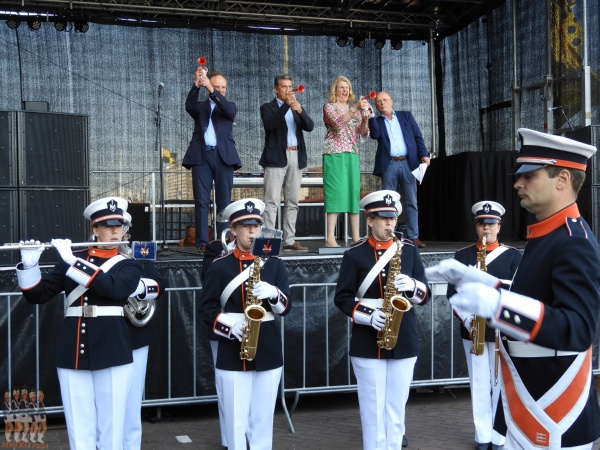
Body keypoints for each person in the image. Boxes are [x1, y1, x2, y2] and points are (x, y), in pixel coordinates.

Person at [427, 128, 600, 449]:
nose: (518, 183)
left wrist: (498, 305)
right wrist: (480, 281)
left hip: (554, 409)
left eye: (529, 176)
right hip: (526, 401)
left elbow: (578, 329)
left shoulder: (573, 241)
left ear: (562, 179)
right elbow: (536, 294)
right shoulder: (547, 234)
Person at [16, 196, 143, 449]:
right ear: (95, 229)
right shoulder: (71, 259)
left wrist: (73, 262)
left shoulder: (129, 264)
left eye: (119, 226)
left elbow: (114, 288)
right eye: (108, 225)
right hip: (73, 350)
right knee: (79, 426)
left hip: (112, 349)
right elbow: (37, 295)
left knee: (111, 427)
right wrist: (30, 266)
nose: (115, 231)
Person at [334, 190, 430, 449]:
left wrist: (413, 286)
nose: (390, 224)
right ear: (369, 220)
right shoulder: (355, 254)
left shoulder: (408, 249)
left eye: (393, 219)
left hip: (403, 336)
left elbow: (426, 295)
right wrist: (367, 316)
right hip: (367, 339)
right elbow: (342, 298)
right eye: (384, 218)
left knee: (397, 407)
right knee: (372, 408)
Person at [198, 198, 291, 450]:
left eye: (256, 226)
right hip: (232, 348)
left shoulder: (274, 264)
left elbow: (286, 308)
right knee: (235, 420)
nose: (252, 232)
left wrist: (274, 294)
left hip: (267, 347)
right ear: (233, 229)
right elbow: (206, 309)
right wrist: (229, 327)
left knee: (263, 419)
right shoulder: (219, 267)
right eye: (246, 226)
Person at [447, 201, 522, 450]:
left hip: (501, 328)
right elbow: (453, 294)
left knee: (500, 385)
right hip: (473, 328)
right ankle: (483, 436)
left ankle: (499, 437)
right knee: (479, 383)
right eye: (482, 224)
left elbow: (517, 293)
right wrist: (468, 319)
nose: (486, 228)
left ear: (499, 226)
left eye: (491, 224)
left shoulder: (512, 255)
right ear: (476, 226)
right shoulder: (463, 256)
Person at [183, 65, 242, 253]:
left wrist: (210, 88)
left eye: (223, 87)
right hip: (202, 155)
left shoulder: (229, 106)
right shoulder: (201, 107)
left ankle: (223, 241)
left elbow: (228, 111)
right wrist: (197, 84)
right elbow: (189, 105)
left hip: (223, 156)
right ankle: (202, 242)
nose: (221, 90)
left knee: (224, 201)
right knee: (201, 201)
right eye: (217, 87)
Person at [121, 212, 167, 450]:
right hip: (103, 336)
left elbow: (159, 285)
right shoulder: (90, 258)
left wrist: (139, 287)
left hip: (134, 336)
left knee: (132, 400)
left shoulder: (139, 256)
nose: (119, 234)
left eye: (123, 230)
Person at [259, 74, 315, 252]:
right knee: (271, 202)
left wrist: (300, 111)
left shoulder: (295, 107)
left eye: (290, 86)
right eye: (284, 87)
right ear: (276, 89)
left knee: (292, 202)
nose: (288, 90)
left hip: (295, 155)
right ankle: (268, 241)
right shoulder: (267, 107)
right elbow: (270, 124)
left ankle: (289, 240)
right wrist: (286, 106)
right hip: (276, 157)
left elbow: (310, 126)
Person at [368, 91, 430, 248]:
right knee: (388, 202)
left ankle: (413, 236)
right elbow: (375, 135)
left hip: (408, 163)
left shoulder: (405, 116)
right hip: (389, 164)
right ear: (376, 106)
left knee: (411, 201)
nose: (382, 103)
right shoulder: (376, 121)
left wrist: (424, 154)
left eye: (385, 100)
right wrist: (370, 117)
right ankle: (388, 236)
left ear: (391, 101)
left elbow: (418, 136)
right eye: (379, 101)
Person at [322, 76, 371, 247]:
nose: (345, 90)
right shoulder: (329, 107)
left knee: (352, 194)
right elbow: (337, 124)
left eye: (347, 87)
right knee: (335, 193)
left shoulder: (355, 110)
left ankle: (356, 238)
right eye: (341, 87)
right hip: (334, 153)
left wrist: (365, 119)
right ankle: (330, 238)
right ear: (335, 90)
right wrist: (355, 107)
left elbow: (362, 133)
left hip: (352, 153)